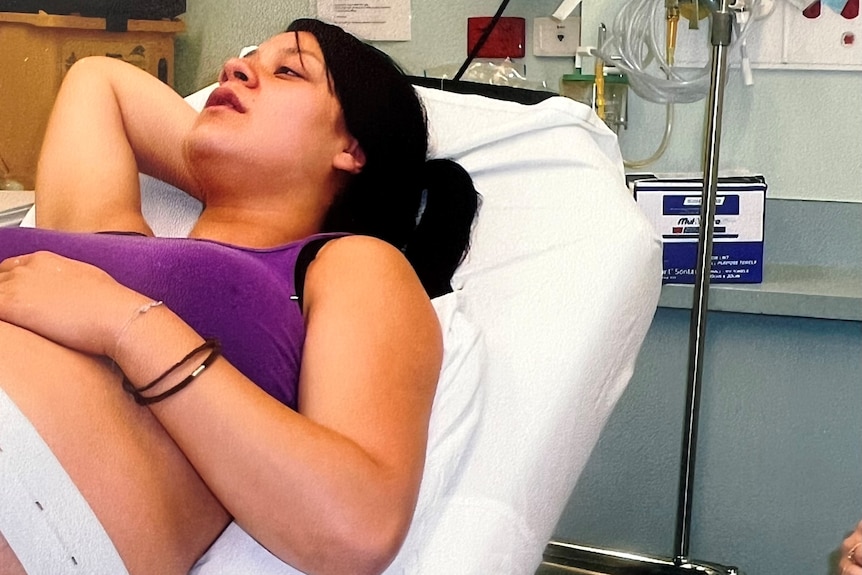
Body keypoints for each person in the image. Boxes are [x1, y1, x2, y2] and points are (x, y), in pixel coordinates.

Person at [0, 17, 478, 575]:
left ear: (351, 147)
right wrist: (233, 162)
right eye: (246, 59)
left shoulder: (350, 263)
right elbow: (98, 80)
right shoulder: (101, 241)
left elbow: (357, 527)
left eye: (288, 71)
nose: (235, 68)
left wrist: (122, 322)